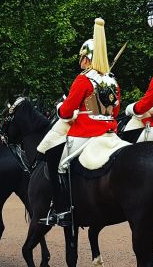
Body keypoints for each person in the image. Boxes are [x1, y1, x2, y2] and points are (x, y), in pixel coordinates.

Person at [41, 18, 120, 227]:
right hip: (110, 132)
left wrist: (61, 108)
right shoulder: (112, 81)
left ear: (87, 58)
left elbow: (66, 112)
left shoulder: (83, 79)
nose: (81, 62)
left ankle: (63, 210)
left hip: (86, 132)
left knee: (59, 165)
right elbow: (116, 111)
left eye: (82, 58)